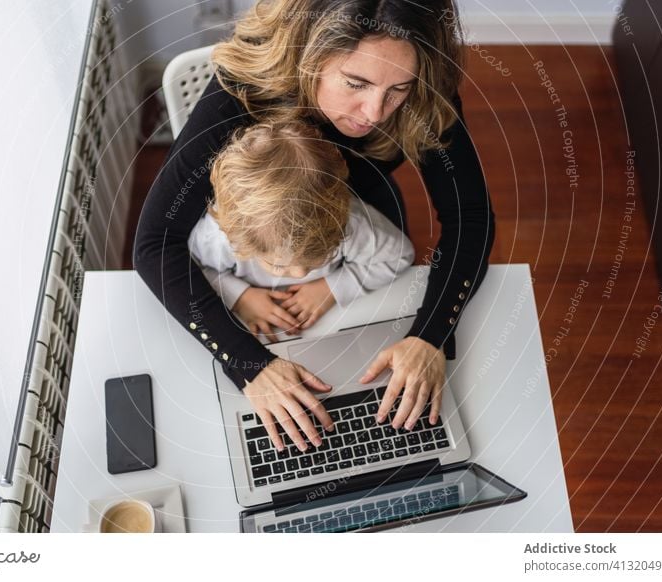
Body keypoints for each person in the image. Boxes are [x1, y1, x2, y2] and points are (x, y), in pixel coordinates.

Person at [134, 0, 495, 453]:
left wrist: (430, 336)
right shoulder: (243, 89)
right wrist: (248, 365)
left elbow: (470, 217)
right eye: (355, 83)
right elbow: (154, 243)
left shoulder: (422, 87)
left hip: (365, 221)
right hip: (258, 227)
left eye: (399, 88)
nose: (376, 113)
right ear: (310, 54)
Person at [188, 121, 415, 351]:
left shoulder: (349, 222)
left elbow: (399, 256)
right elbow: (189, 268)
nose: (300, 273)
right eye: (278, 265)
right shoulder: (221, 239)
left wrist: (332, 288)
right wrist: (239, 297)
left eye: (320, 257)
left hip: (336, 323)